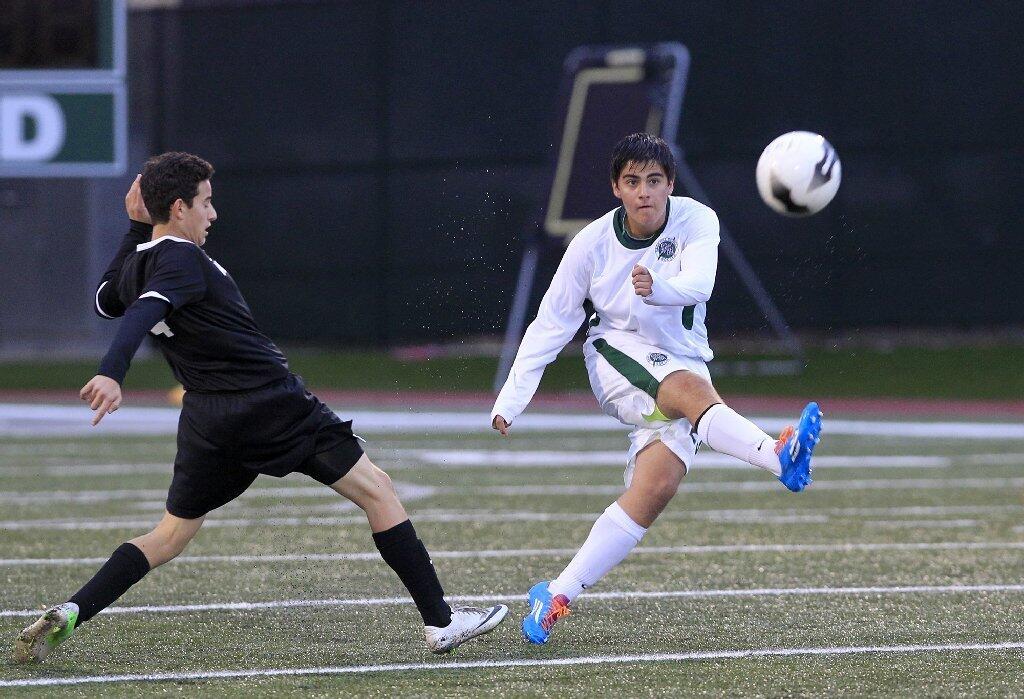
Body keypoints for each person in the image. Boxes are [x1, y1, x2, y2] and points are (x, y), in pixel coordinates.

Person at [13, 152, 507, 663]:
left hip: (208, 420)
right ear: (179, 208)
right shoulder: (180, 258)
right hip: (269, 402)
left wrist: (134, 226)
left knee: (168, 536)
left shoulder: (141, 258)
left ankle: (72, 611)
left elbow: (105, 300)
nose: (213, 213)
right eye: (205, 202)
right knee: (379, 491)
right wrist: (113, 371)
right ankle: (441, 623)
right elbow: (142, 311)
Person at [491, 133, 821, 645]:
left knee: (655, 489)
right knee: (688, 392)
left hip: (684, 361)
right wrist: (511, 399)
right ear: (616, 188)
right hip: (615, 355)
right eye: (631, 181)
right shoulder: (591, 244)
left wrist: (660, 288)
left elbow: (701, 284)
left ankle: (555, 593)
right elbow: (551, 324)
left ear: (669, 184)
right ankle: (778, 456)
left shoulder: (698, 219)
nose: (643, 192)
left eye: (653, 181)